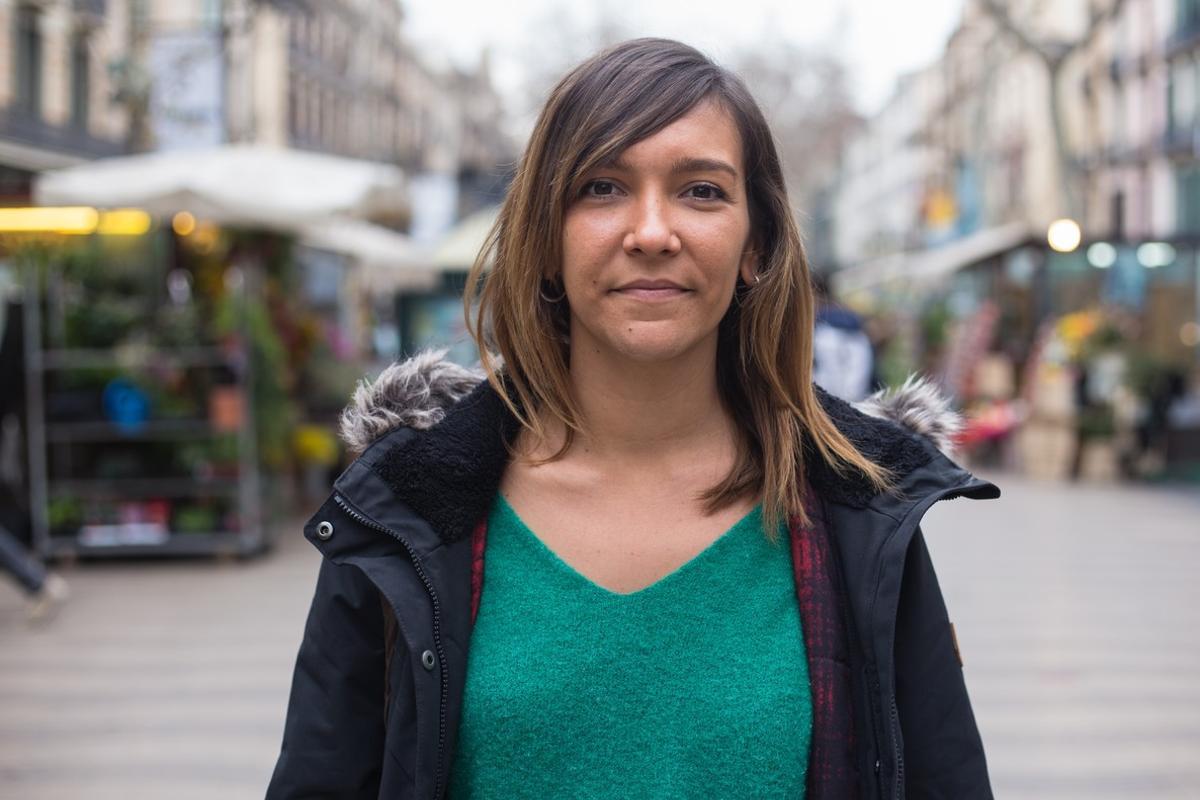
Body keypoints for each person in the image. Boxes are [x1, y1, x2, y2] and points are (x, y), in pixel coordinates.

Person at [268, 38, 999, 800]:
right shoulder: (404, 510)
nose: (651, 232)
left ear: (757, 247)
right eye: (602, 187)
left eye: (702, 192)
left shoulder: (860, 511)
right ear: (547, 240)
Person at [811, 271, 876, 402]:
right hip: (860, 404)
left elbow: (828, 378)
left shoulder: (823, 334)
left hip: (835, 407)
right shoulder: (854, 324)